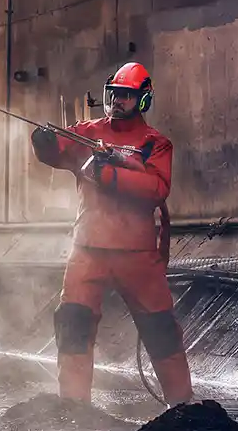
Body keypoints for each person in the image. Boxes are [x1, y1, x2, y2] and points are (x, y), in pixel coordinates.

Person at [30, 62, 193, 406]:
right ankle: (73, 409)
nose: (117, 102)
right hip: (88, 248)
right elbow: (56, 151)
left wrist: (110, 176)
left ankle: (183, 408)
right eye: (113, 95)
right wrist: (43, 144)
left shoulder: (156, 144)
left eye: (126, 97)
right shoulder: (86, 133)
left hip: (136, 254)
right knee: (73, 323)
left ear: (143, 101)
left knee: (161, 329)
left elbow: (157, 188)